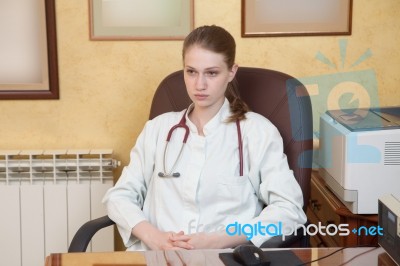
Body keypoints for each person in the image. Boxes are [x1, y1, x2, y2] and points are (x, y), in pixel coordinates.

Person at [102, 25, 307, 251]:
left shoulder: (257, 132)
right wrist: (154, 238)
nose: (199, 85)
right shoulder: (158, 129)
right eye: (191, 72)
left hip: (224, 258)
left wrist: (217, 240)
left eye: (211, 73)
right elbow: (119, 197)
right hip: (157, 258)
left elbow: (289, 211)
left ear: (231, 72)